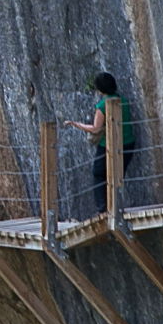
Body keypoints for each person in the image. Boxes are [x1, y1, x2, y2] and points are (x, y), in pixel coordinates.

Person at [71, 72, 131, 221]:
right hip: (128, 142)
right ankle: (115, 207)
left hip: (109, 145)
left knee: (99, 173)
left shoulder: (103, 105)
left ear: (100, 89)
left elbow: (96, 128)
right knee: (117, 175)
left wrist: (76, 125)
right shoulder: (123, 100)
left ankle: (103, 209)